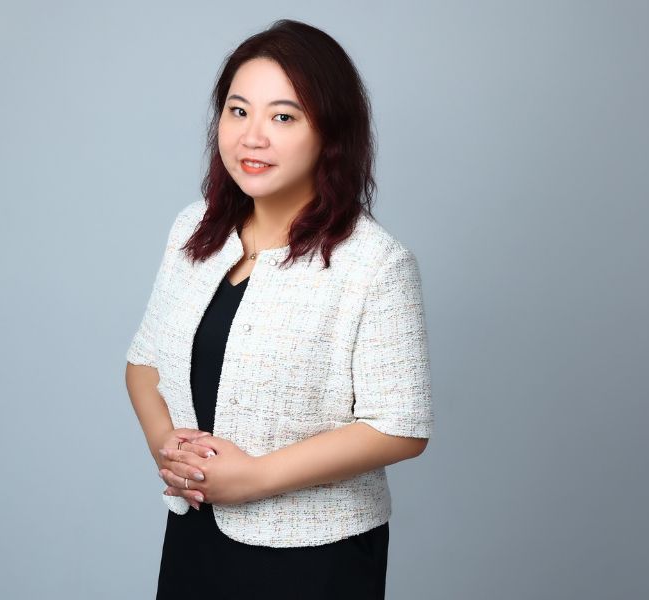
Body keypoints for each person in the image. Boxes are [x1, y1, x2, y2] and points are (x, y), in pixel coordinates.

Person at [124, 19, 433, 600]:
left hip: (317, 553)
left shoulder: (374, 263)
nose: (252, 137)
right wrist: (174, 456)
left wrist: (254, 478)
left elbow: (400, 426)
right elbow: (143, 364)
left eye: (283, 117)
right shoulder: (194, 230)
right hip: (196, 529)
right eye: (238, 111)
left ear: (330, 133)